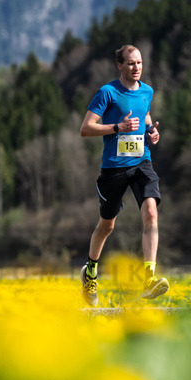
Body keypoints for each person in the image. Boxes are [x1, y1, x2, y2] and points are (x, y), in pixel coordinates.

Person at [78, 44, 168, 306]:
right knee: (107, 226)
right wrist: (118, 127)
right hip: (114, 167)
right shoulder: (107, 93)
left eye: (139, 62)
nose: (136, 67)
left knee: (151, 212)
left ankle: (149, 279)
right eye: (130, 63)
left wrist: (151, 131)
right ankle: (91, 272)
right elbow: (86, 129)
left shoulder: (147, 91)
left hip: (142, 162)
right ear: (120, 65)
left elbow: (146, 115)